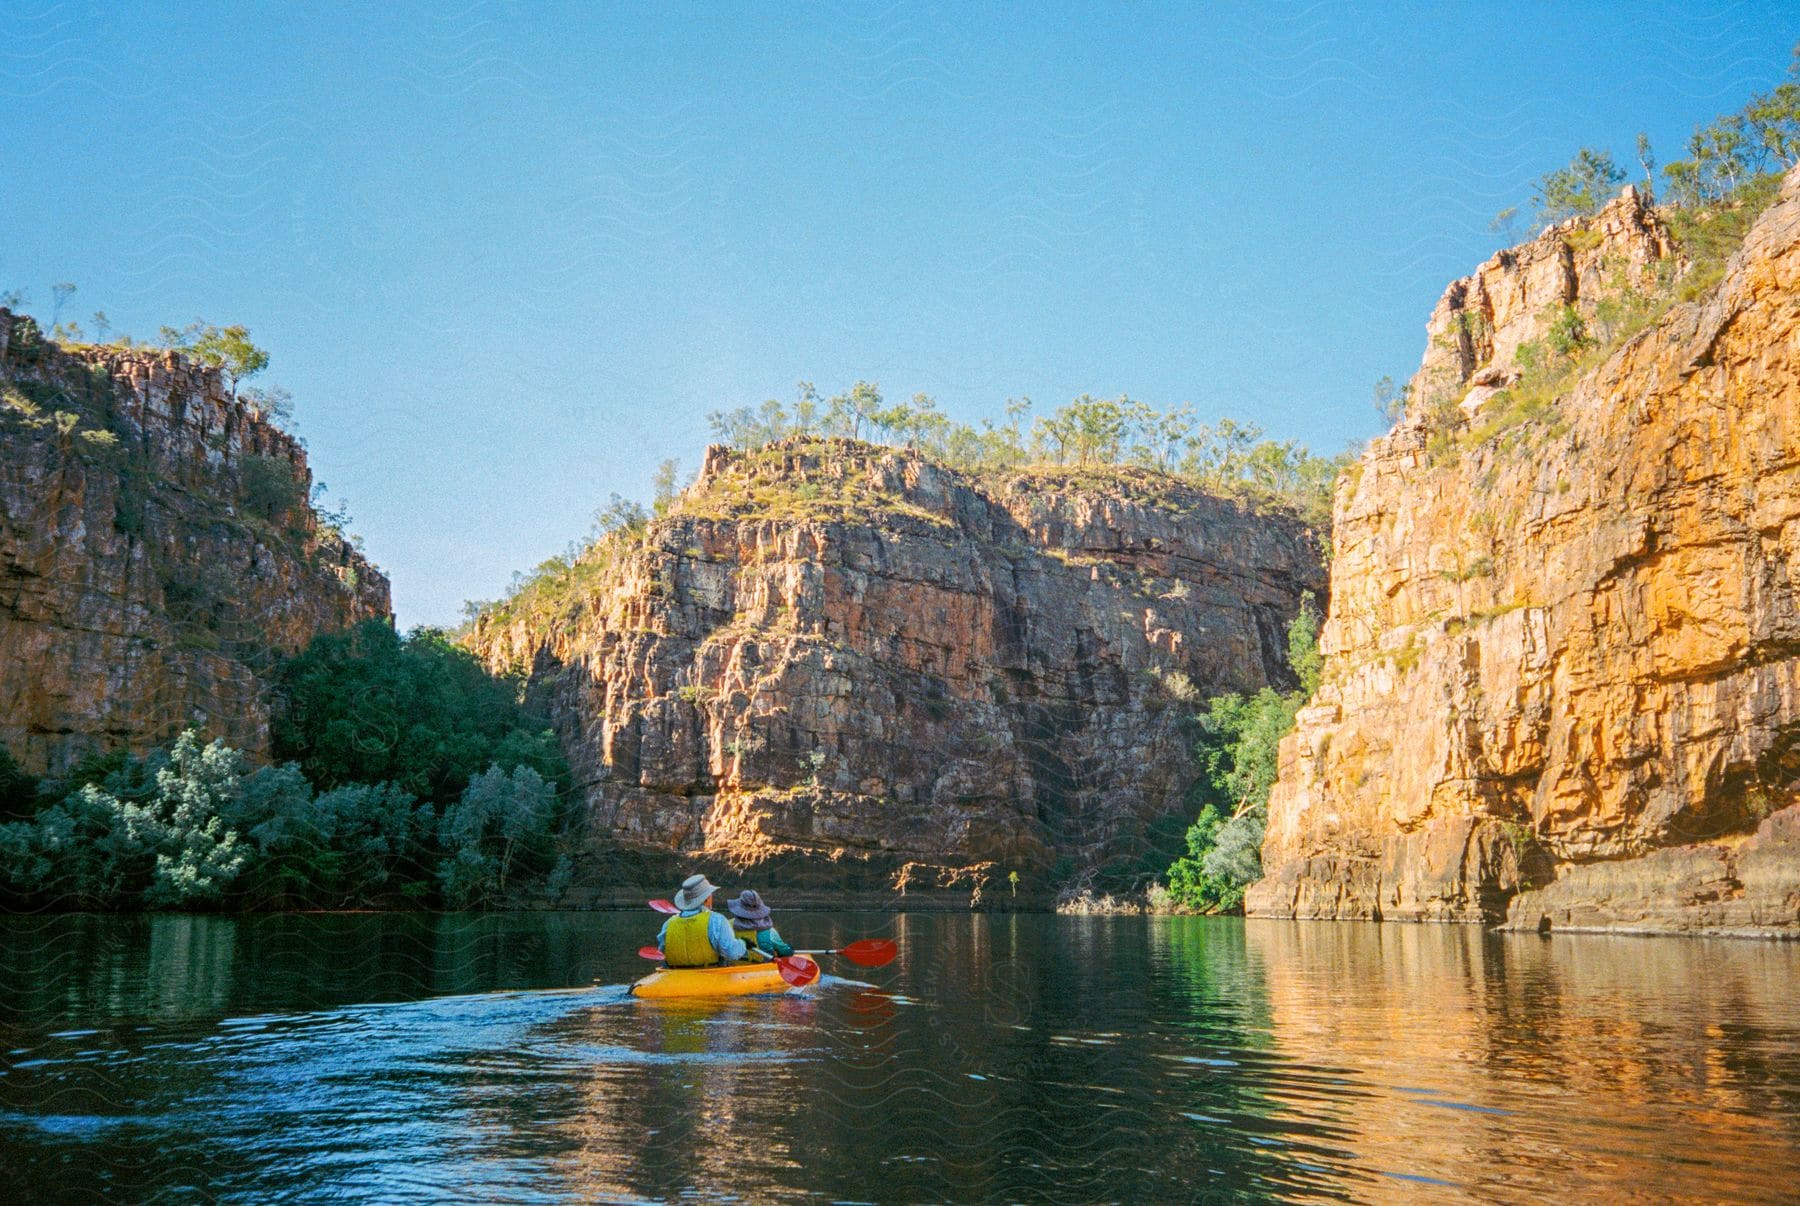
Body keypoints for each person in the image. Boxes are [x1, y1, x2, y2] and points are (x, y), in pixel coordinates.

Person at [657, 874, 762, 967]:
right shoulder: (717, 920)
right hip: (708, 975)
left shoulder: (668, 924)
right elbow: (732, 952)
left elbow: (662, 952)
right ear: (706, 899)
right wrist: (743, 944)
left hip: (674, 976)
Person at [723, 889, 794, 958]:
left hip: (734, 967)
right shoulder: (770, 932)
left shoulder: (728, 925)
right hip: (762, 968)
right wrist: (790, 949)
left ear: (739, 907)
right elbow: (786, 952)